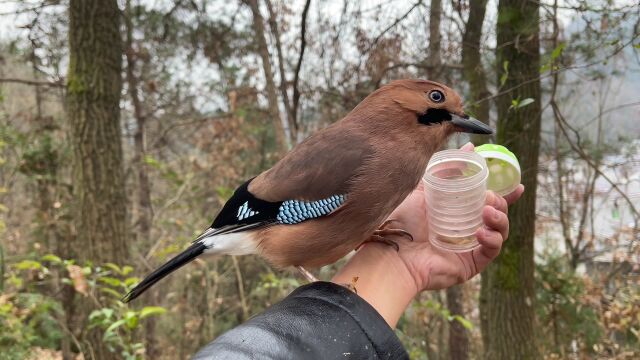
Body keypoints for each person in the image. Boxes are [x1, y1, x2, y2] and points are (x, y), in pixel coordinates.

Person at [193, 143, 524, 359]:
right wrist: (329, 297)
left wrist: (398, 263)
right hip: (255, 224)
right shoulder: (352, 166)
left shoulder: (379, 170)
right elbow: (288, 213)